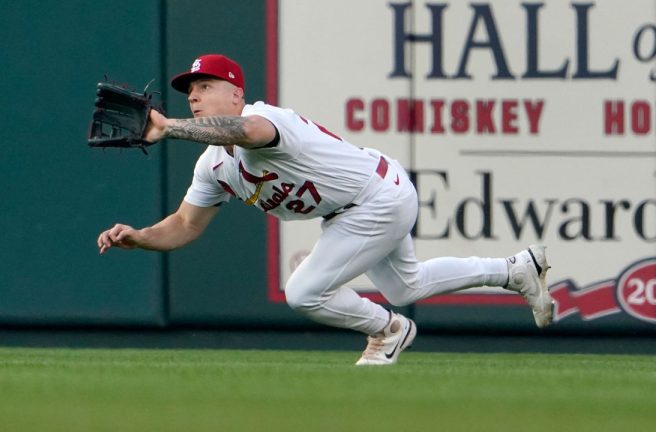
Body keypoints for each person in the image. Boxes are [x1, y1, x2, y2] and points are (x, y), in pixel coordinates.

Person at [97, 54, 554, 365]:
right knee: (404, 285)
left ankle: (388, 331)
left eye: (205, 85)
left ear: (236, 93)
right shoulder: (214, 166)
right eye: (189, 90)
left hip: (377, 198)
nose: (193, 96)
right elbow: (184, 225)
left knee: (303, 292)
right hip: (359, 203)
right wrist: (138, 238)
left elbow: (249, 131)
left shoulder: (268, 118)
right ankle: (515, 270)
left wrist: (170, 128)